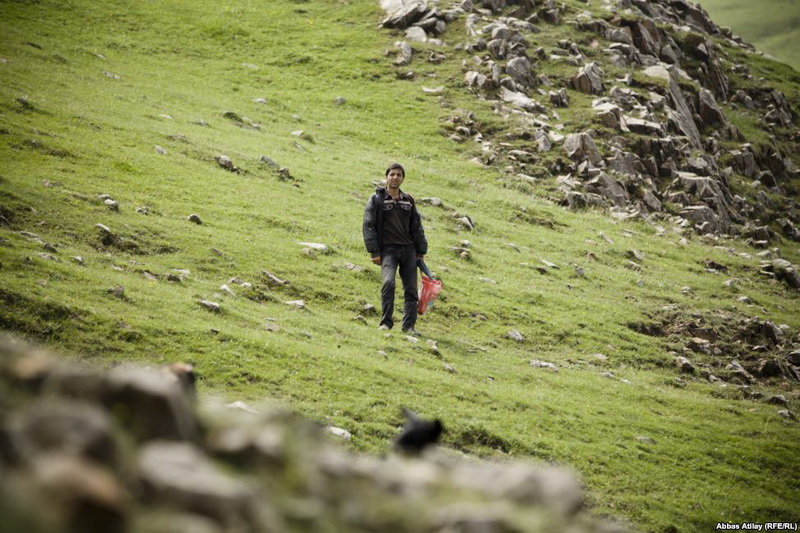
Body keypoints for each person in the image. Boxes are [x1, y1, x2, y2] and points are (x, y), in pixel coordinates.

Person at [362, 163, 428, 334]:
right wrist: (374, 251)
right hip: (388, 251)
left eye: (398, 175)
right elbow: (368, 226)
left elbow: (417, 226)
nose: (395, 177)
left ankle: (409, 327)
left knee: (411, 290)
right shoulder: (377, 199)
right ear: (386, 177)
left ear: (402, 179)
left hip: (409, 251)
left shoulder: (408, 200)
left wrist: (420, 251)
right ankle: (386, 323)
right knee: (388, 283)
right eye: (392, 174)